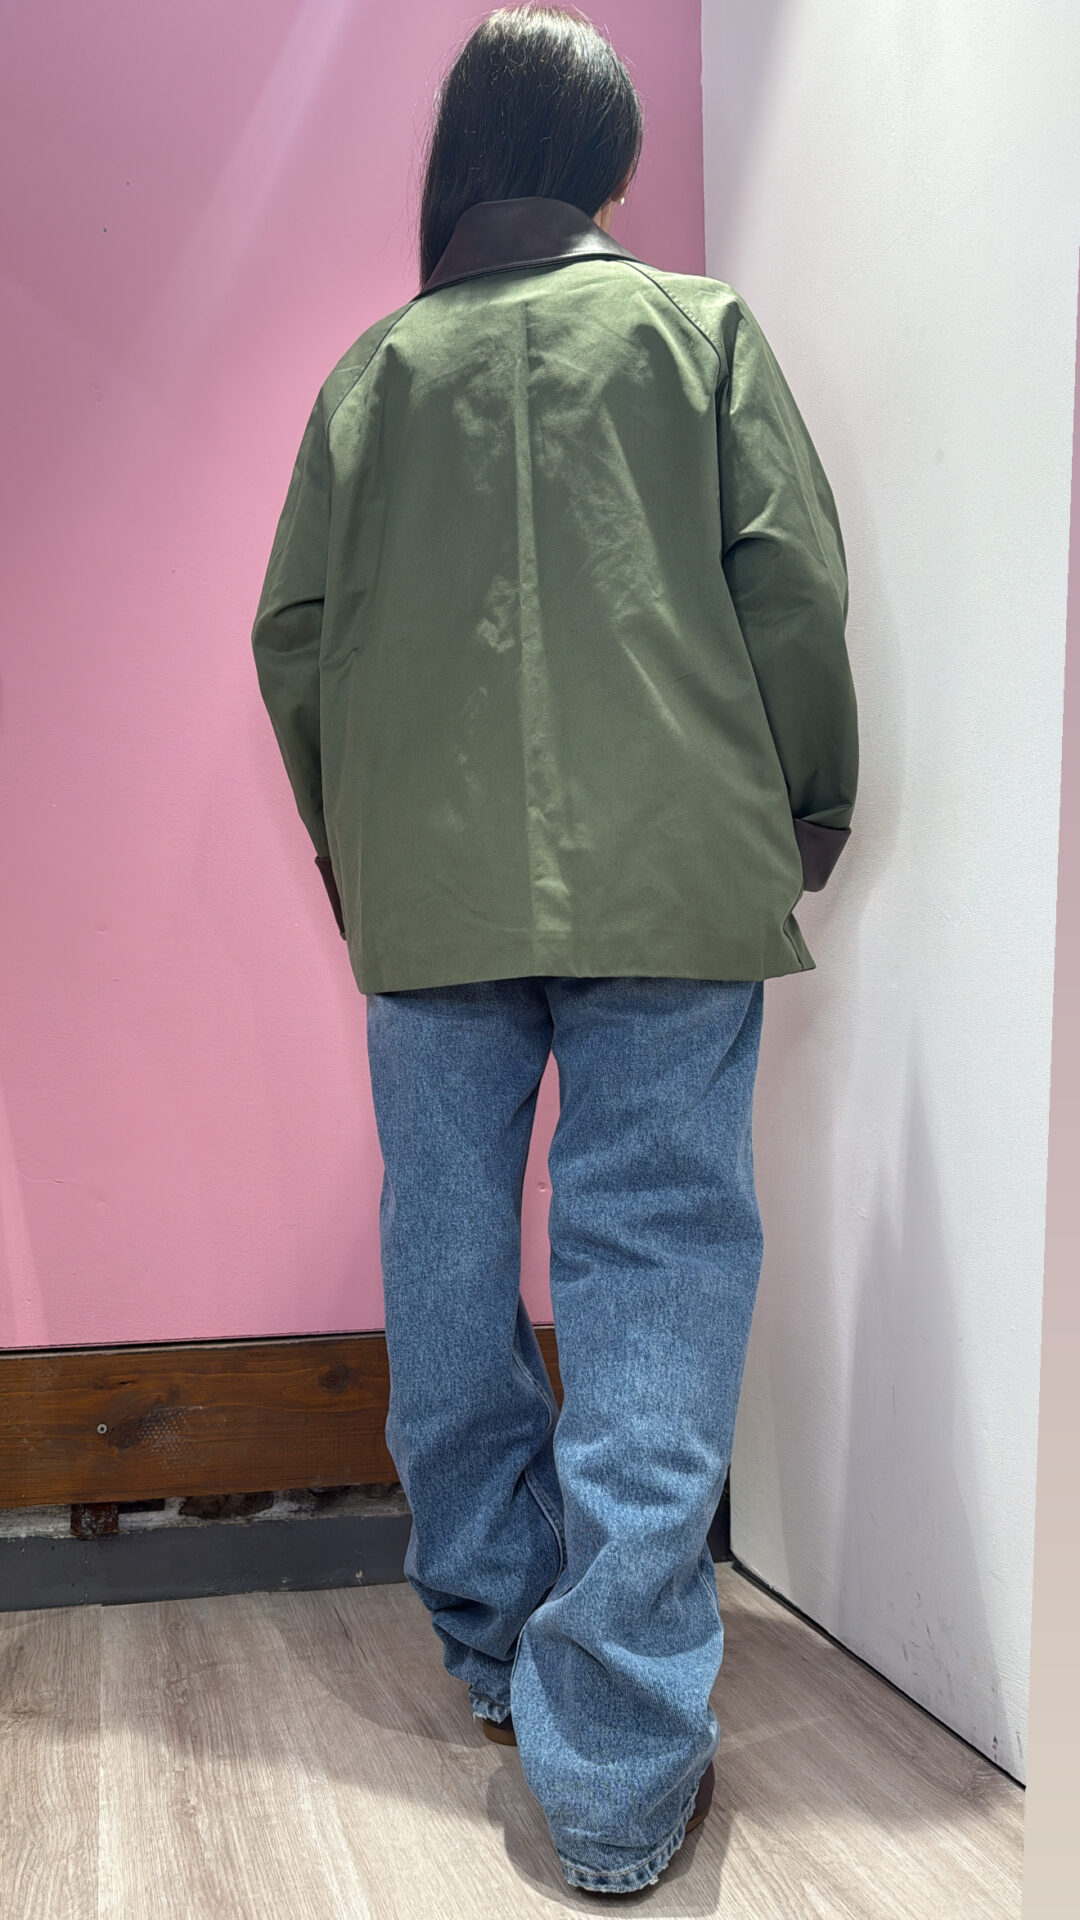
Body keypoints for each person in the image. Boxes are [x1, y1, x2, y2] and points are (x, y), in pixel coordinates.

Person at [251, 2, 858, 1897]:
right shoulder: (697, 333)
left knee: (446, 1253)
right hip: (673, 873)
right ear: (608, 168)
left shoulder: (372, 376)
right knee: (653, 1262)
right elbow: (790, 584)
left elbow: (294, 641)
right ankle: (618, 1771)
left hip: (432, 894)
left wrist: (357, 851)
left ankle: (498, 1644)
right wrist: (812, 803)